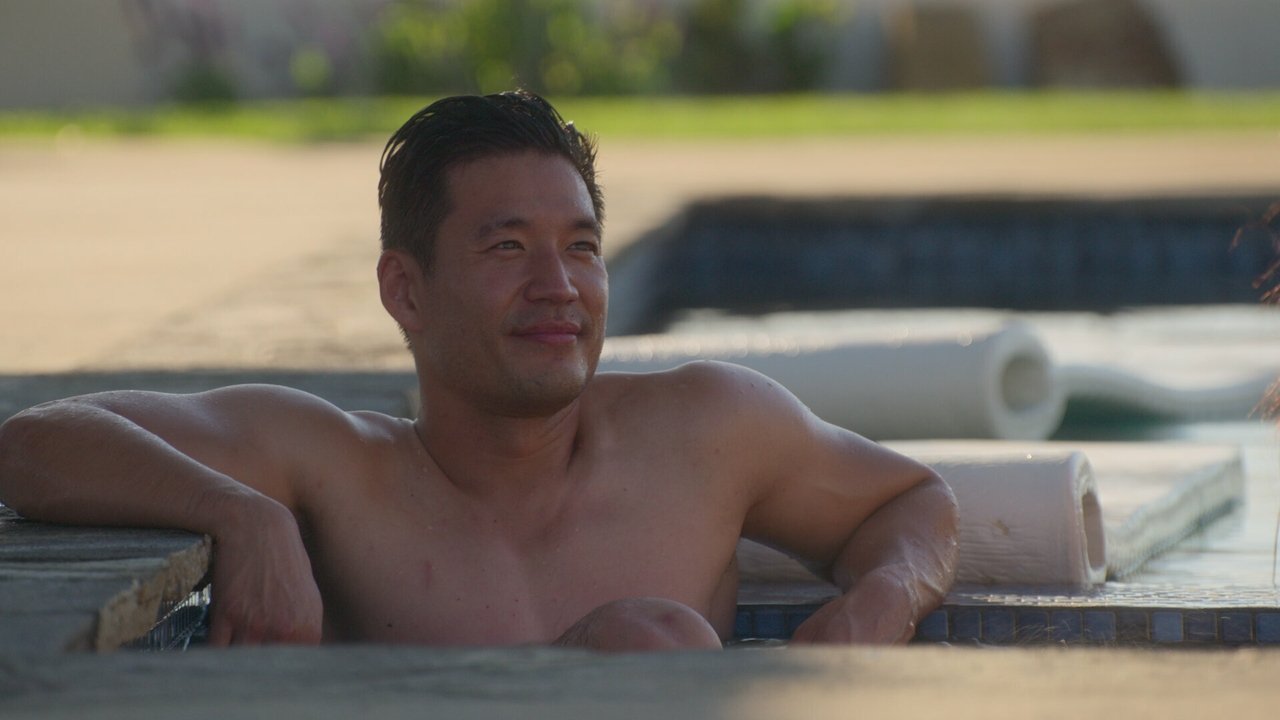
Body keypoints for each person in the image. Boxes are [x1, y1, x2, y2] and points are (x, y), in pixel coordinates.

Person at [0, 91, 958, 651]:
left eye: (580, 247)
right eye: (507, 248)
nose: (558, 287)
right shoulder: (339, 468)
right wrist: (242, 515)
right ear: (405, 291)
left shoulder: (709, 431)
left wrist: (880, 602)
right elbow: (34, 444)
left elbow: (909, 501)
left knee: (646, 640)